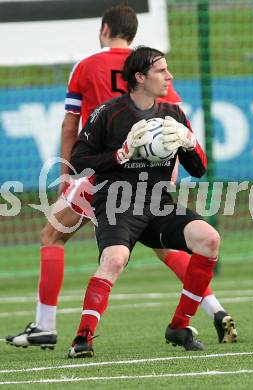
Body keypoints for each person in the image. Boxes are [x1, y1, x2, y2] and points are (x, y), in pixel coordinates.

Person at [5, 6, 236, 351]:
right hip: (144, 177)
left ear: (104, 29)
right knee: (159, 245)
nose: (166, 75)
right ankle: (214, 308)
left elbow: (71, 125)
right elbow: (167, 129)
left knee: (53, 233)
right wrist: (170, 170)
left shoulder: (88, 66)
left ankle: (46, 325)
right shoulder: (151, 69)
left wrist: (68, 175)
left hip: (105, 175)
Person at [67, 46, 228, 358]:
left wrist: (191, 144)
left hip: (157, 203)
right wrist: (118, 156)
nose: (169, 76)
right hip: (116, 202)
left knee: (210, 239)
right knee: (114, 260)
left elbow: (199, 169)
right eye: (161, 71)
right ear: (139, 77)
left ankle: (179, 327)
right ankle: (82, 339)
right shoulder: (108, 113)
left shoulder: (174, 115)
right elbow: (79, 159)